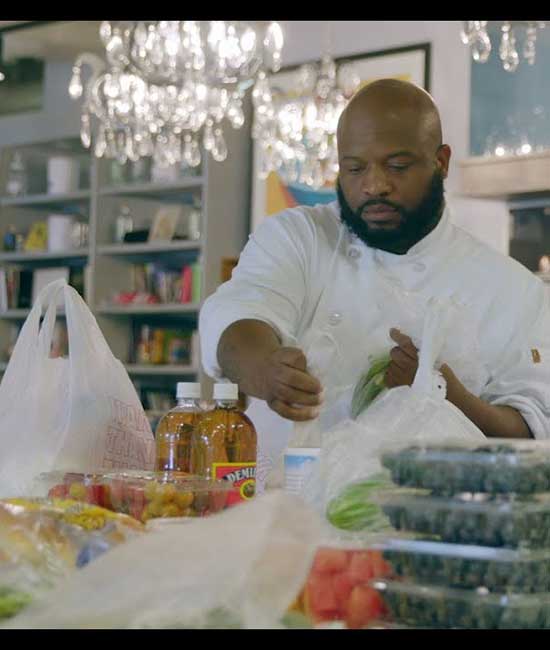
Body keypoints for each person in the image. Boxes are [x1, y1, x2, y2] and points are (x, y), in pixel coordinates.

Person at [199, 78, 550, 486]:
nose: (374, 185)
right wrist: (264, 369)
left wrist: (447, 397)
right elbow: (238, 313)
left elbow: (532, 433)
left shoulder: (511, 288)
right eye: (354, 167)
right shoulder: (299, 236)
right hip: (280, 511)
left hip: (426, 524)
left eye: (397, 166)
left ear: (442, 162)